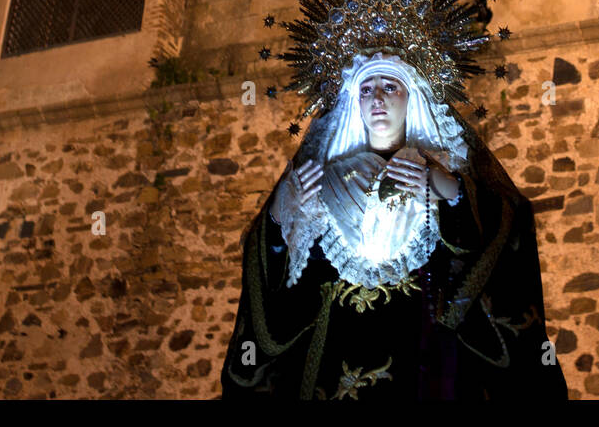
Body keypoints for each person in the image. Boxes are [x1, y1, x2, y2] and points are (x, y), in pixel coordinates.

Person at [222, 47, 567, 399]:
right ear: (354, 102)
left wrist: (441, 185)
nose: (377, 99)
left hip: (423, 349)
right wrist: (281, 214)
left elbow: (485, 238)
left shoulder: (438, 170)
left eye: (390, 87)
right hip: (340, 352)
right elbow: (298, 290)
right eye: (366, 89)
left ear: (411, 97)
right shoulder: (327, 181)